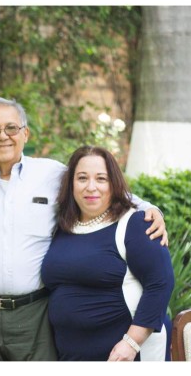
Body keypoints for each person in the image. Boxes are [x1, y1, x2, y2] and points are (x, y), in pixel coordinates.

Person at [0, 96, 168, 361]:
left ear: (25, 133)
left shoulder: (52, 173)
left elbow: (98, 183)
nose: (3, 136)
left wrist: (151, 208)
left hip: (35, 312)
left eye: (11, 128)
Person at [41, 146, 174, 361]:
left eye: (101, 179)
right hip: (72, 355)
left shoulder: (136, 224)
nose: (91, 187)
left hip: (126, 355)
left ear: (114, 184)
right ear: (71, 184)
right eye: (82, 178)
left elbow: (161, 283)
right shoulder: (63, 227)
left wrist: (131, 343)